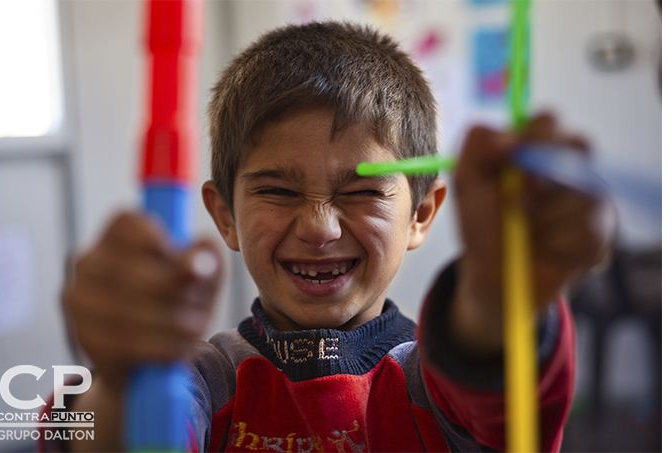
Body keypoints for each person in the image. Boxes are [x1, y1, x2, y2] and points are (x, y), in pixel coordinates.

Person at [48, 21, 608, 453]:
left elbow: (502, 409)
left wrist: (495, 294)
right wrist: (126, 384)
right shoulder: (205, 380)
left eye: (362, 192)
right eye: (277, 191)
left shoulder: (432, 382)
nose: (319, 227)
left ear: (422, 213)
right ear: (224, 215)